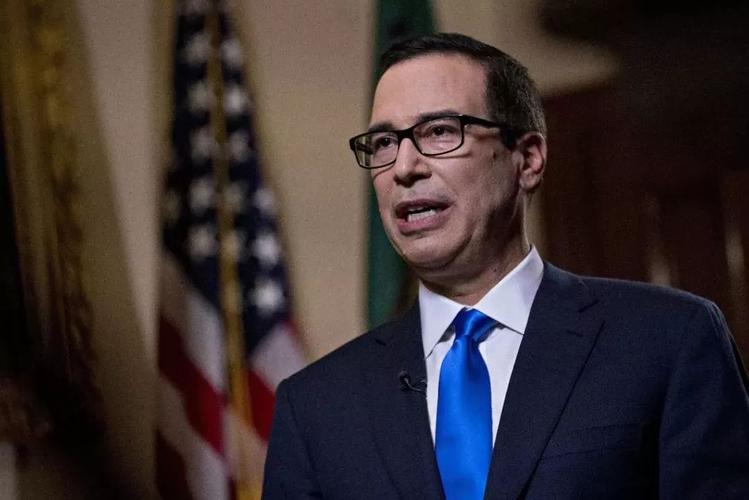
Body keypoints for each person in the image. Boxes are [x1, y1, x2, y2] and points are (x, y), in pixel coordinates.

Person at [262, 33, 749, 499]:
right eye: (384, 142)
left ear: (528, 159)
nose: (404, 167)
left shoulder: (669, 339)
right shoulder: (314, 407)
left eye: (439, 131)